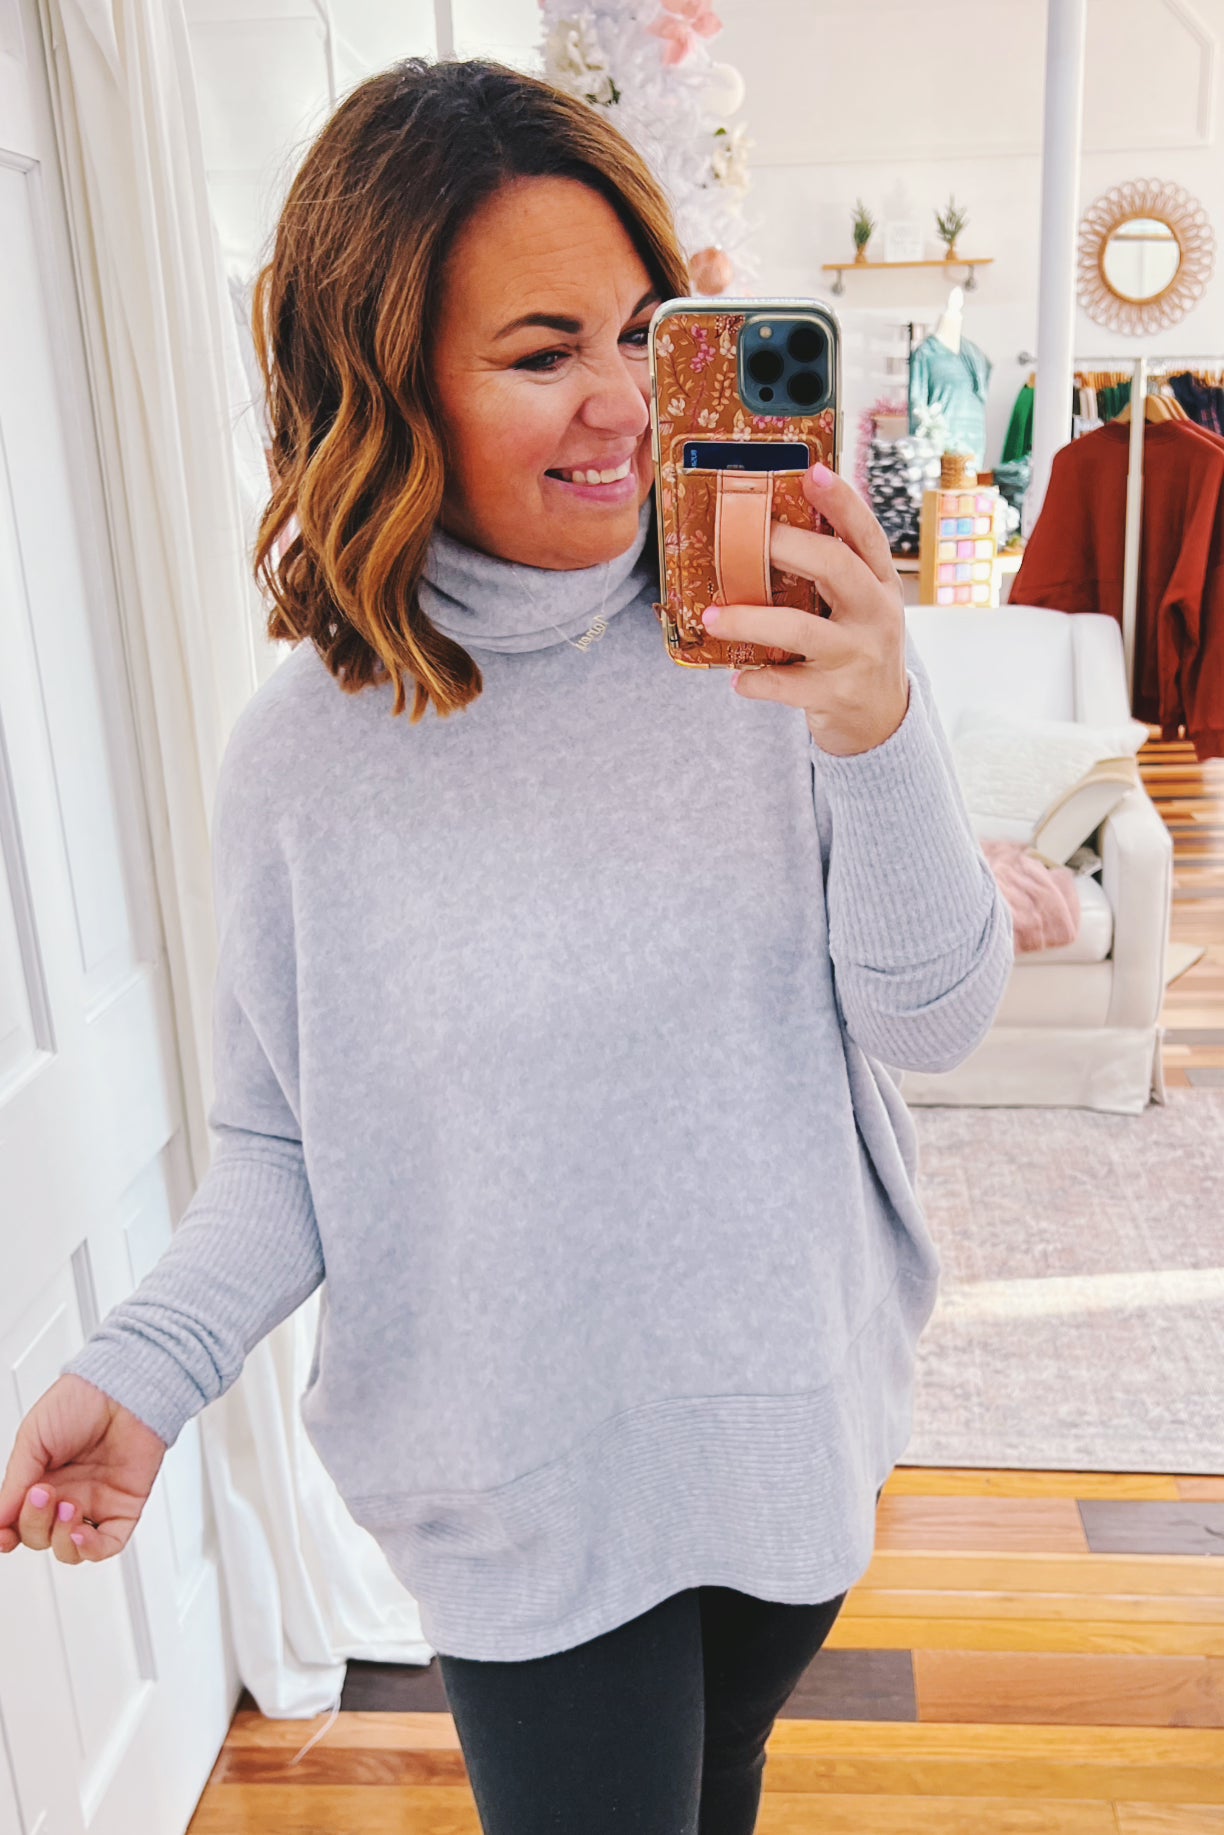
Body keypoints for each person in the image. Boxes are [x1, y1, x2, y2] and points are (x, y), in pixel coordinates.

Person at [0, 57, 1014, 1834]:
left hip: (794, 1438)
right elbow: (287, 1144)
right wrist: (144, 1368)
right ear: (386, 386)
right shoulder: (308, 760)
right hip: (520, 1491)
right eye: (544, 353)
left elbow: (933, 1023)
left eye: (642, 333)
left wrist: (881, 723)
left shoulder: (784, 651)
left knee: (719, 1784)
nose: (623, 404)